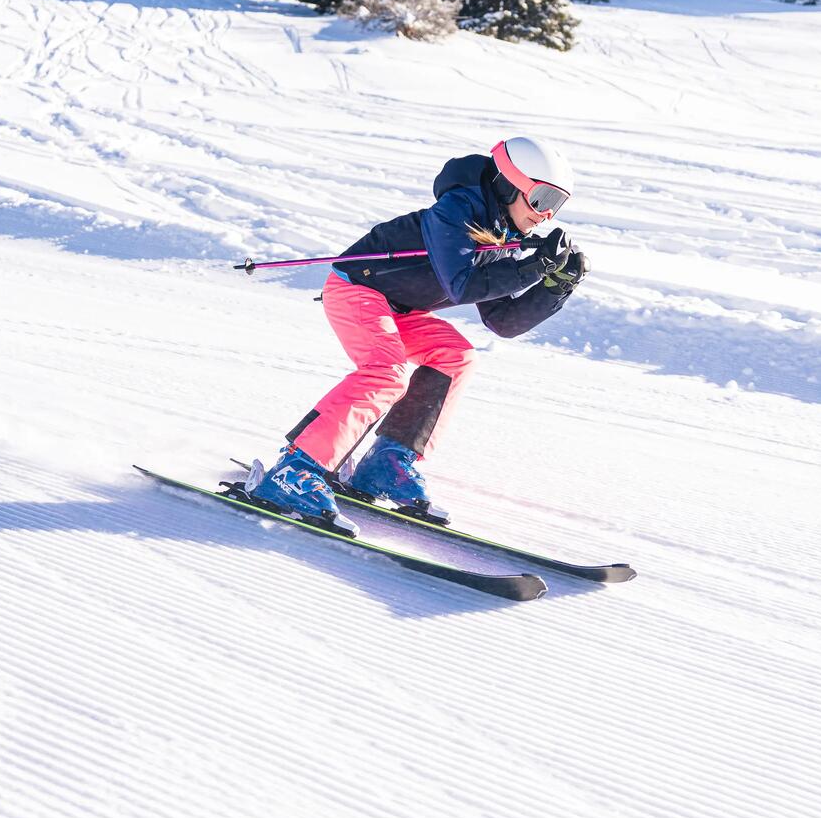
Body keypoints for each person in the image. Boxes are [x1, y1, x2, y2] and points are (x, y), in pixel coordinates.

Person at [248, 137, 587, 532]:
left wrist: (555, 286)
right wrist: (534, 267)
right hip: (358, 289)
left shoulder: (505, 237)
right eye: (542, 198)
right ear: (510, 184)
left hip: (401, 309)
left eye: (557, 204)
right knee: (386, 372)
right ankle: (295, 471)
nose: (546, 214)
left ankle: (386, 464)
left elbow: (503, 321)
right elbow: (461, 284)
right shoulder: (456, 211)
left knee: (456, 357)